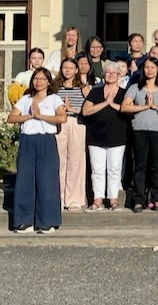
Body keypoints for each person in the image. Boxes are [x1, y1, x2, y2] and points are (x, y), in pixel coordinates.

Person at [8, 68, 67, 233]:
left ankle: (47, 221)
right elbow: (11, 117)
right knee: (24, 180)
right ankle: (24, 220)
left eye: (42, 79)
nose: (39, 82)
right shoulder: (26, 99)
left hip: (46, 140)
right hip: (28, 140)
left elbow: (62, 117)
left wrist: (41, 116)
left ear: (48, 81)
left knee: (46, 181)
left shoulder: (54, 99)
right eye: (36, 79)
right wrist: (28, 116)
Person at [121, 58, 158, 213]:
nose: (149, 70)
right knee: (139, 165)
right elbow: (125, 107)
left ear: (157, 69)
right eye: (146, 67)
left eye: (152, 67)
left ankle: (157, 199)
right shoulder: (135, 88)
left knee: (157, 166)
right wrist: (144, 106)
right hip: (139, 130)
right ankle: (139, 199)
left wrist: (154, 106)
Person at [81, 62, 129, 212]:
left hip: (117, 136)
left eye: (113, 73)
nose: (110, 75)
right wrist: (105, 103)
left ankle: (113, 200)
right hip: (96, 136)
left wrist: (112, 104)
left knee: (114, 169)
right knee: (97, 170)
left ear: (119, 76)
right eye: (107, 72)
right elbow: (86, 111)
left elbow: (128, 110)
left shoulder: (123, 93)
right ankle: (98, 200)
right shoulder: (95, 92)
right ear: (103, 75)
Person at [55, 58, 89, 211]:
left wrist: (73, 108)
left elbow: (89, 109)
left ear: (76, 70)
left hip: (77, 123)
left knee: (76, 160)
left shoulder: (83, 87)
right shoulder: (55, 87)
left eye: (71, 67)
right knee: (59, 160)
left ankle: (74, 198)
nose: (67, 70)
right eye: (65, 67)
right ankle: (58, 197)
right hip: (59, 123)